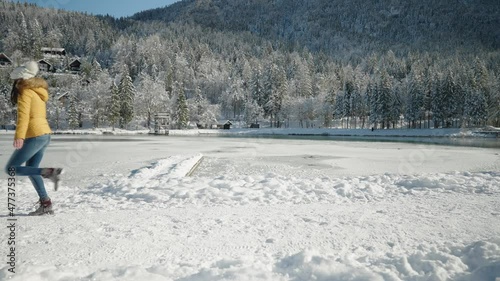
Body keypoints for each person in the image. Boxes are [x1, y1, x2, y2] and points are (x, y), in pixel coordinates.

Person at [4, 61, 62, 216]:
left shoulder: (25, 91)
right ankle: (46, 204)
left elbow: (23, 117)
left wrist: (19, 136)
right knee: (31, 169)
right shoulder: (37, 91)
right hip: (44, 134)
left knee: (11, 168)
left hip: (34, 134)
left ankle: (49, 172)